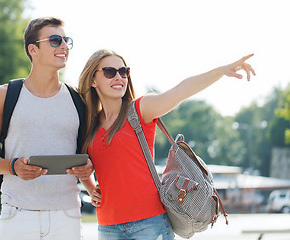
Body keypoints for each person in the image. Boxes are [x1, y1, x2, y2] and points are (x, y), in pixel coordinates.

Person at [77, 49, 255, 240]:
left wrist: (221, 70)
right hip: (108, 226)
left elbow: (181, 90)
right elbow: (79, 165)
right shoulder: (89, 124)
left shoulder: (140, 110)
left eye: (124, 71)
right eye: (110, 72)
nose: (119, 77)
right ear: (93, 80)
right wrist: (90, 188)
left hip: (150, 223)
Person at [0, 17, 94, 240]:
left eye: (67, 40)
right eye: (55, 40)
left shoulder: (79, 100)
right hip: (17, 214)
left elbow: (88, 155)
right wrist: (12, 166)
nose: (64, 46)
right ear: (33, 49)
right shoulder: (4, 95)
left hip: (67, 215)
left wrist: (88, 171)